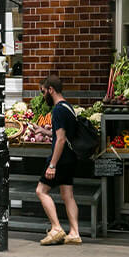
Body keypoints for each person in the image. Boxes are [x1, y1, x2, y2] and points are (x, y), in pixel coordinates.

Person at [34, 73, 82, 246]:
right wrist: (45, 132)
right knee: (67, 194)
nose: (43, 95)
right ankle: (74, 233)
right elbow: (63, 135)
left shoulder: (58, 110)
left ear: (51, 90)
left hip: (60, 159)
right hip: (71, 158)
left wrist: (52, 164)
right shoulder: (68, 107)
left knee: (41, 190)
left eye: (43, 91)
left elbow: (61, 139)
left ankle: (56, 228)